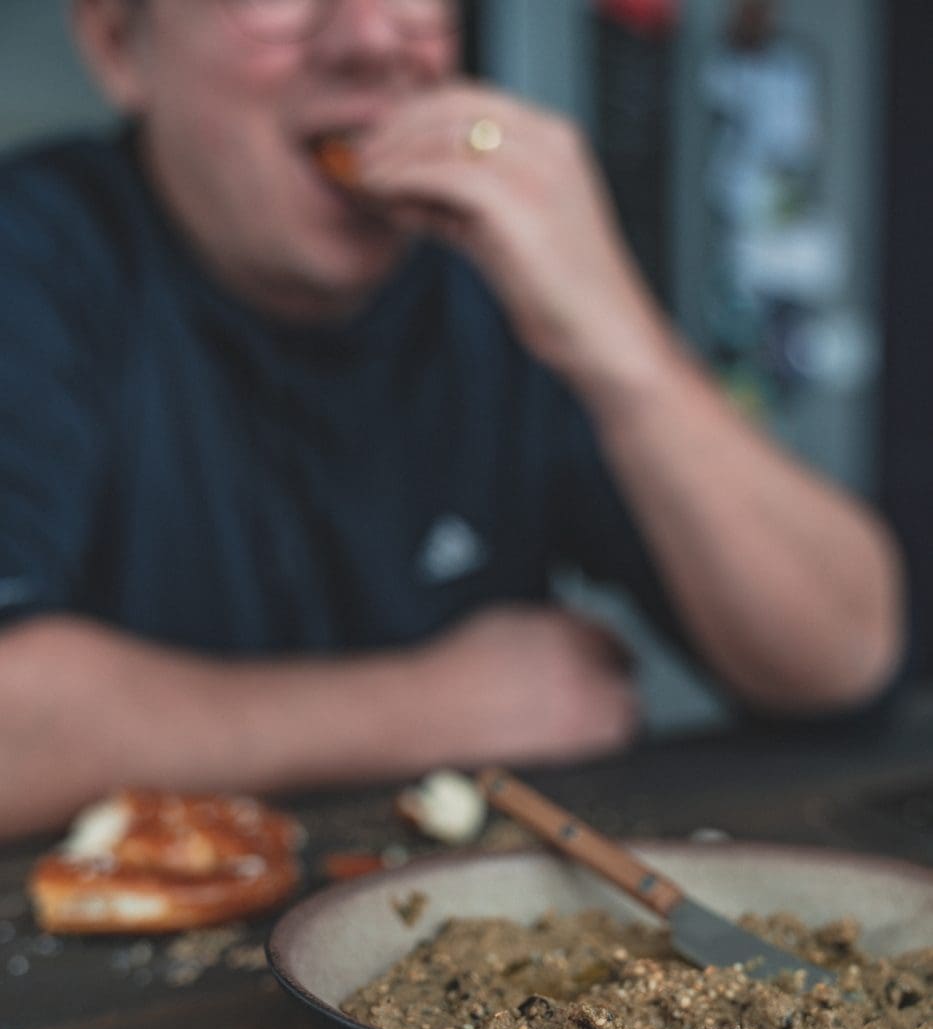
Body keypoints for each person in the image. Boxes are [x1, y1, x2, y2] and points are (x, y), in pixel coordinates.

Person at [0, 0, 905, 840]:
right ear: (120, 44)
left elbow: (841, 656)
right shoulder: (34, 264)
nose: (371, 38)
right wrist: (435, 708)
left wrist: (620, 343)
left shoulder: (495, 273)